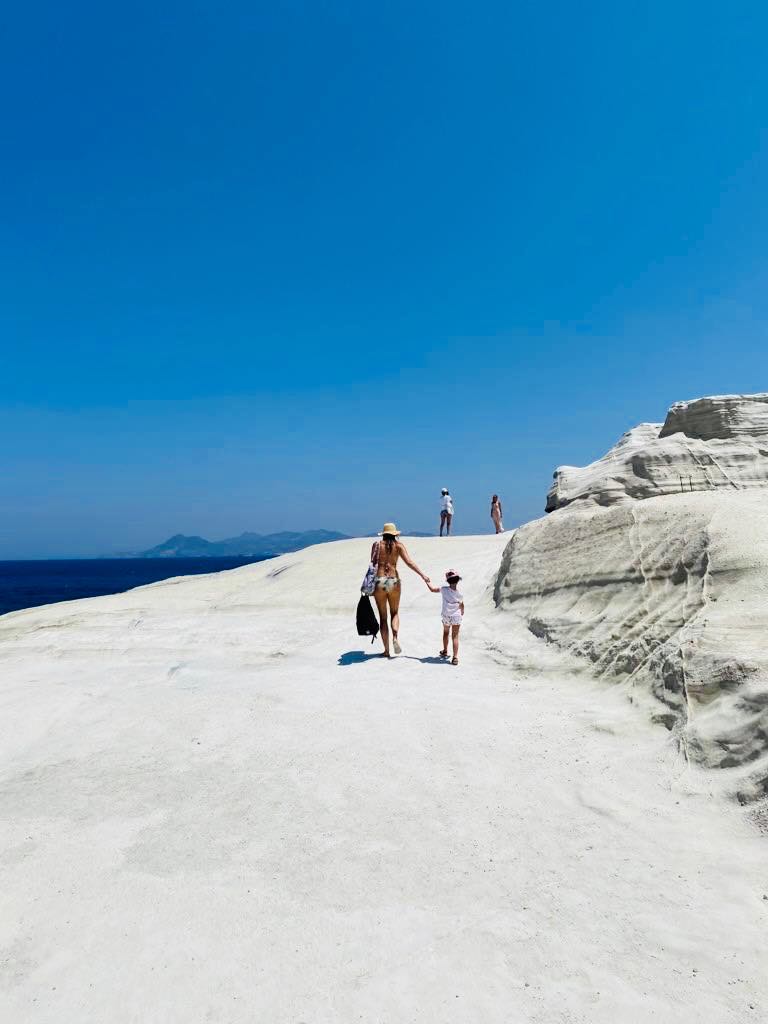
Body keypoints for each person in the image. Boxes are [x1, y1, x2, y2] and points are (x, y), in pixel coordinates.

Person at [370, 523, 431, 658]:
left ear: (383, 534)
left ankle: (386, 650)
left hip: (379, 582)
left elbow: (373, 565)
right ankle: (395, 637)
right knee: (395, 613)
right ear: (395, 534)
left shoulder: (376, 545)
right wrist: (423, 575)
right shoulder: (398, 546)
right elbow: (409, 562)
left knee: (383, 617)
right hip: (394, 581)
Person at [426, 570, 464, 665]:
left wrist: (427, 581)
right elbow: (462, 605)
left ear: (448, 581)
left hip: (446, 615)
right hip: (456, 616)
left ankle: (445, 651)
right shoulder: (459, 594)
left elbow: (432, 589)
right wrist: (462, 611)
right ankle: (455, 658)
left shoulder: (444, 589)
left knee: (446, 633)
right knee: (455, 637)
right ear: (458, 580)